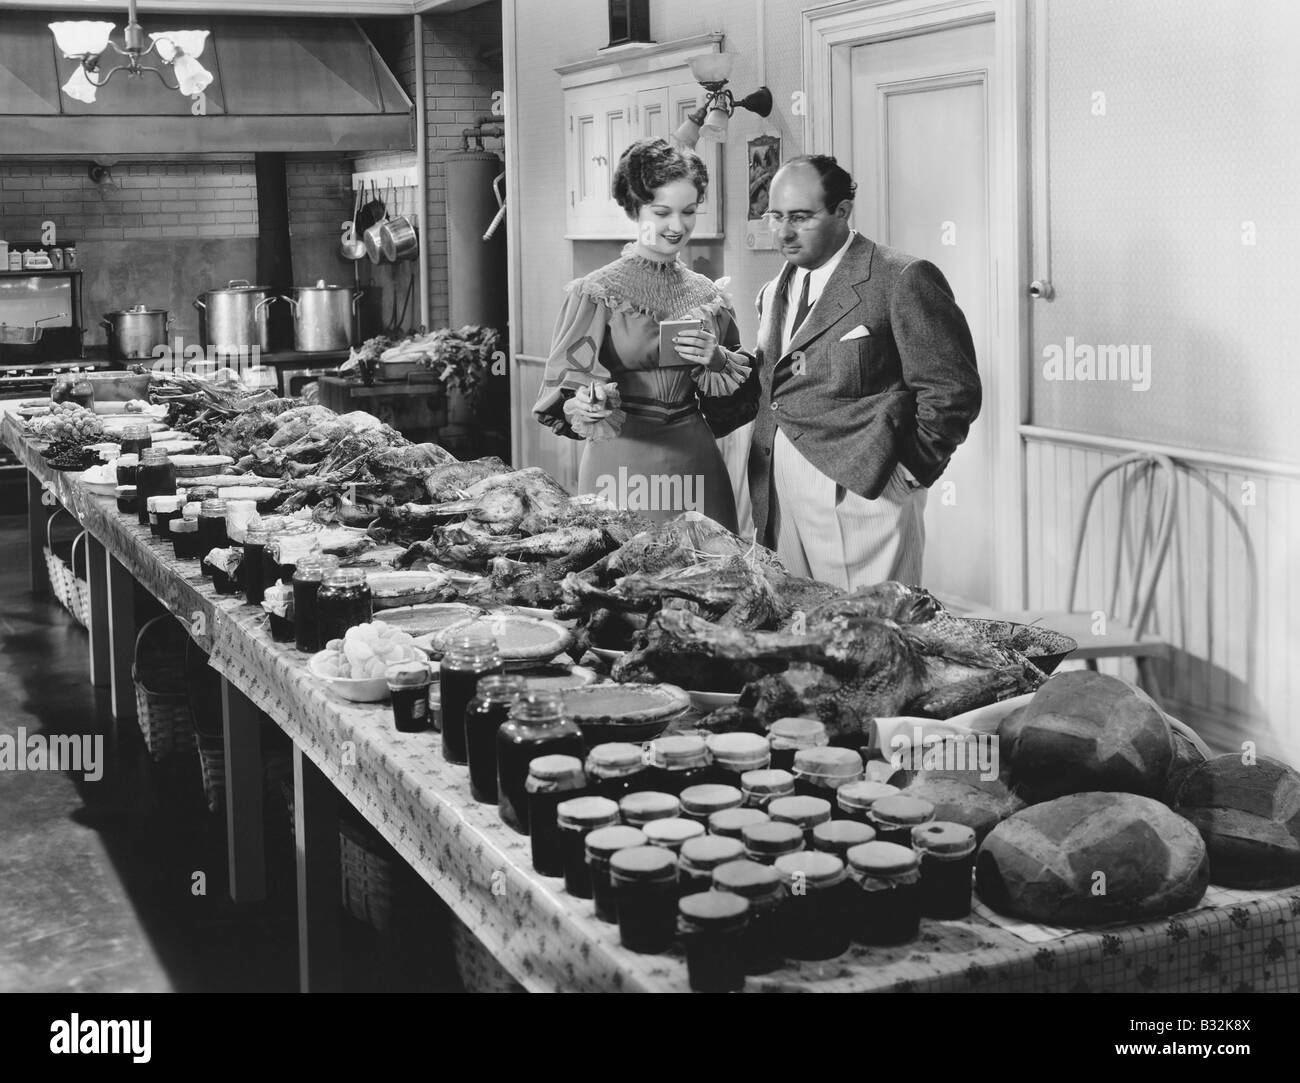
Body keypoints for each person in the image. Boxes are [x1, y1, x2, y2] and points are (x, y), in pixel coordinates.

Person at [733, 154, 981, 589]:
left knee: (874, 640)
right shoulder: (773, 291)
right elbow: (774, 390)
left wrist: (908, 474)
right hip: (778, 500)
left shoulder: (901, 277)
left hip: (866, 500)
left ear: (842, 212)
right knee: (797, 636)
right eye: (775, 216)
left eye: (800, 217)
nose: (784, 232)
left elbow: (952, 390)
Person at [534, 137, 752, 531]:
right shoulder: (595, 292)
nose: (677, 226)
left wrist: (716, 357)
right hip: (621, 462)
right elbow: (566, 385)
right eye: (662, 211)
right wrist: (586, 403)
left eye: (688, 212)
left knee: (709, 575)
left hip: (695, 459)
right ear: (635, 208)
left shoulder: (710, 295)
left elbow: (739, 389)